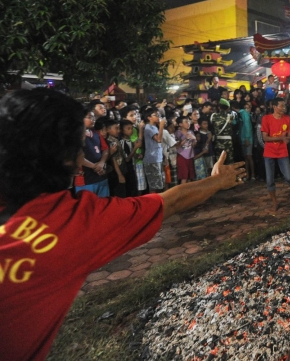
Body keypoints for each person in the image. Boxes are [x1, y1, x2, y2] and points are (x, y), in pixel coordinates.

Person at [0, 89, 246, 361]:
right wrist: (218, 182)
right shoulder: (71, 223)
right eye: (79, 145)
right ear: (66, 157)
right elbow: (169, 203)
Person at [261, 97, 290, 210]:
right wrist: (280, 138)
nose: (284, 108)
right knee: (270, 180)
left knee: (289, 177)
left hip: (282, 151)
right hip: (269, 152)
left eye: (284, 106)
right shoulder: (266, 119)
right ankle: (274, 202)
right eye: (282, 106)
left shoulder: (287, 118)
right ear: (274, 107)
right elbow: (265, 138)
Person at [76, 106, 110, 197]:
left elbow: (105, 149)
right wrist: (95, 167)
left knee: (104, 204)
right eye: (90, 117)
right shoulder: (75, 136)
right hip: (85, 179)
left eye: (93, 117)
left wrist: (102, 163)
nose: (93, 119)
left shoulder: (96, 133)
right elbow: (77, 156)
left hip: (100, 177)